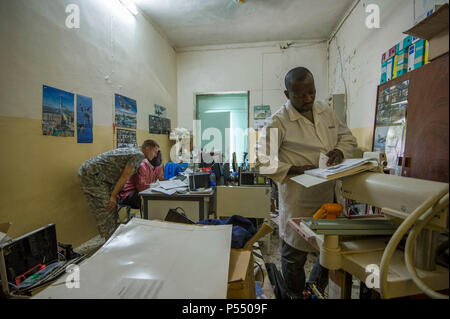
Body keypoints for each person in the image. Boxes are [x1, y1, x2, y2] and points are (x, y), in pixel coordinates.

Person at [256, 67, 357, 299]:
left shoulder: (325, 111)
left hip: (331, 197)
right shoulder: (278, 122)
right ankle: (294, 295)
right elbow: (260, 161)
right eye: (300, 95)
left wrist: (339, 151)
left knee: (329, 251)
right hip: (300, 201)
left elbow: (347, 137)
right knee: (294, 257)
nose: (308, 99)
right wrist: (293, 169)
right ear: (287, 94)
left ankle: (313, 290)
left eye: (311, 92)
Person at [78, 140, 160, 240]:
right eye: (155, 152)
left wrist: (115, 192)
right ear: (147, 148)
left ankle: (113, 238)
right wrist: (113, 195)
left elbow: (119, 174)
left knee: (112, 205)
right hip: (92, 174)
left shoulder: (137, 152)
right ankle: (109, 243)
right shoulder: (138, 155)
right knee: (106, 207)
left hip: (103, 178)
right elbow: (124, 176)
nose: (156, 155)